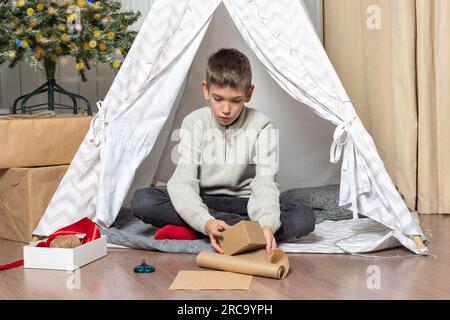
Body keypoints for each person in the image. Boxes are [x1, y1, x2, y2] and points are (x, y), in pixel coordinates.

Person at [131, 48, 315, 255]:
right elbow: (184, 182)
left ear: (249, 93)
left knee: (303, 217)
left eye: (235, 100)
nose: (226, 109)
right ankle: (225, 230)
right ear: (206, 90)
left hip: (246, 203)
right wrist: (205, 220)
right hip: (204, 200)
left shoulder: (263, 126)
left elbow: (265, 184)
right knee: (143, 200)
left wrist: (267, 224)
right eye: (218, 99)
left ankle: (199, 229)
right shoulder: (193, 122)